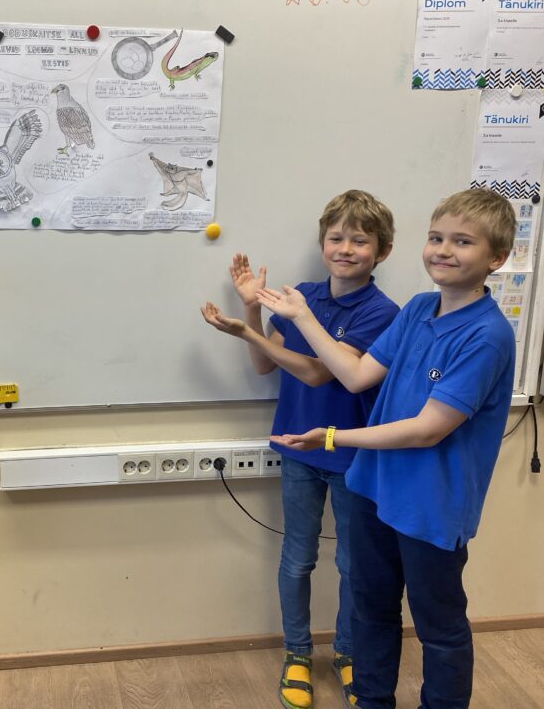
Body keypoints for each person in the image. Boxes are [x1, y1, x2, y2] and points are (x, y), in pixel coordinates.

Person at [261, 188, 516, 709]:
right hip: (375, 489)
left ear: (496, 257)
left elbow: (426, 430)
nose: (443, 250)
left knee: (438, 626)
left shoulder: (488, 335)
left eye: (462, 242)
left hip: (431, 506)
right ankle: (373, 701)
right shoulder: (419, 309)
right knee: (371, 608)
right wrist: (304, 317)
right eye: (436, 238)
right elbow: (356, 376)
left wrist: (332, 437)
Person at [201, 190, 399, 709]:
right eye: (336, 238)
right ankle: (297, 653)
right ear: (322, 243)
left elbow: (316, 373)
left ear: (382, 251)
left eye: (360, 241)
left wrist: (248, 331)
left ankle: (349, 653)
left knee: (355, 566)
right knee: (298, 558)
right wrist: (250, 308)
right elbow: (266, 365)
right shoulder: (300, 296)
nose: (346, 248)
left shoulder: (383, 312)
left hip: (353, 455)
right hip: (297, 450)